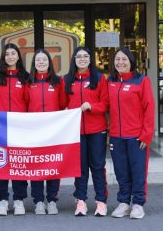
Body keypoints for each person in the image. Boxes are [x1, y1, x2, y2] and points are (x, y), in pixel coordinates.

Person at [107, 47, 154, 219]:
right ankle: (124, 202)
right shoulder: (110, 81)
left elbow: (149, 108)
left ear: (131, 61)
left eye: (124, 59)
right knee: (121, 171)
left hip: (136, 137)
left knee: (138, 171)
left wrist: (147, 134)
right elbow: (104, 105)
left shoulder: (142, 80)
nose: (120, 62)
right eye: (117, 59)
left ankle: (138, 204)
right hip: (116, 136)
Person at [63, 46, 109, 217]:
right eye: (78, 56)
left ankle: (101, 201)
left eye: (85, 56)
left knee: (97, 166)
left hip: (97, 129)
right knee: (80, 168)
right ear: (74, 59)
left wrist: (92, 107)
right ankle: (80, 201)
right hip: (75, 131)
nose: (82, 59)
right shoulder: (67, 80)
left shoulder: (99, 78)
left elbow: (105, 104)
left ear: (90, 60)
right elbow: (63, 104)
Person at [0, 43, 29, 216]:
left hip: (20, 128)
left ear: (18, 56)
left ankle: (19, 200)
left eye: (13, 53)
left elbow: (29, 102)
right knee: (1, 164)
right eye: (7, 54)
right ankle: (3, 200)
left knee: (19, 165)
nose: (10, 56)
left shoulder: (26, 77)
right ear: (3, 57)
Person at [25, 49, 66, 215]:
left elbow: (63, 104)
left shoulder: (58, 82)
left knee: (53, 166)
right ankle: (38, 201)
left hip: (53, 132)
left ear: (49, 62)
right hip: (34, 131)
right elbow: (25, 105)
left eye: (44, 60)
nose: (41, 63)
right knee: (36, 166)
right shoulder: (28, 82)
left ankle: (52, 200)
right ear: (34, 63)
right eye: (38, 60)